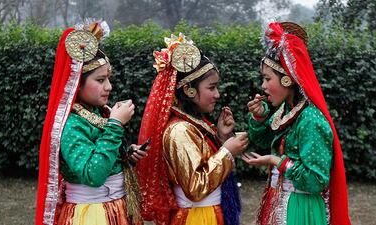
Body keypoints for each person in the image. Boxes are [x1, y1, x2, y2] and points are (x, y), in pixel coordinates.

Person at [35, 20, 147, 225]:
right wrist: (115, 126)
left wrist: (127, 156)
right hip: (91, 215)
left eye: (108, 79)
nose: (109, 86)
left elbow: (105, 161)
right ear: (77, 84)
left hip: (117, 208)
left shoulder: (100, 113)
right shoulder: (72, 125)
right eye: (100, 80)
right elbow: (93, 175)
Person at [242, 22, 351, 225]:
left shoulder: (310, 119)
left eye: (267, 78)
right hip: (281, 201)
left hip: (301, 210)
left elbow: (316, 180)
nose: (263, 86)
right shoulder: (287, 110)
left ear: (287, 80)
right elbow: (264, 140)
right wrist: (259, 117)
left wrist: (277, 162)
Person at [135, 33, 249, 225]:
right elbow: (196, 187)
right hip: (197, 218)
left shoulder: (192, 124)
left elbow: (205, 163)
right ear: (189, 90)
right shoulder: (179, 130)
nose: (217, 94)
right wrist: (227, 152)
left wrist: (221, 137)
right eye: (211, 87)